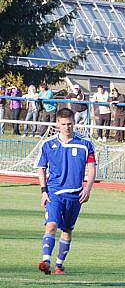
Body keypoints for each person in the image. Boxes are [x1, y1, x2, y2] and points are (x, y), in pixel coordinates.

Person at [35, 108, 96, 276]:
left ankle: (59, 265)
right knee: (51, 225)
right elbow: (41, 168)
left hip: (75, 194)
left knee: (67, 230)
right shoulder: (48, 144)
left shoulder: (85, 144)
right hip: (54, 193)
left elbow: (91, 168)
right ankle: (46, 260)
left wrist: (88, 188)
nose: (67, 127)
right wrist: (43, 191)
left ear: (74, 123)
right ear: (57, 124)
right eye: (63, 124)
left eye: (69, 124)